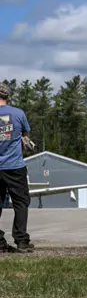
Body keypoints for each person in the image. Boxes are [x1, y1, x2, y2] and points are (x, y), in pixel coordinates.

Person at [0, 82, 34, 253]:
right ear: (7, 95)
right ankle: (21, 241)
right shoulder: (18, 114)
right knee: (20, 202)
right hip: (14, 166)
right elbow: (25, 137)